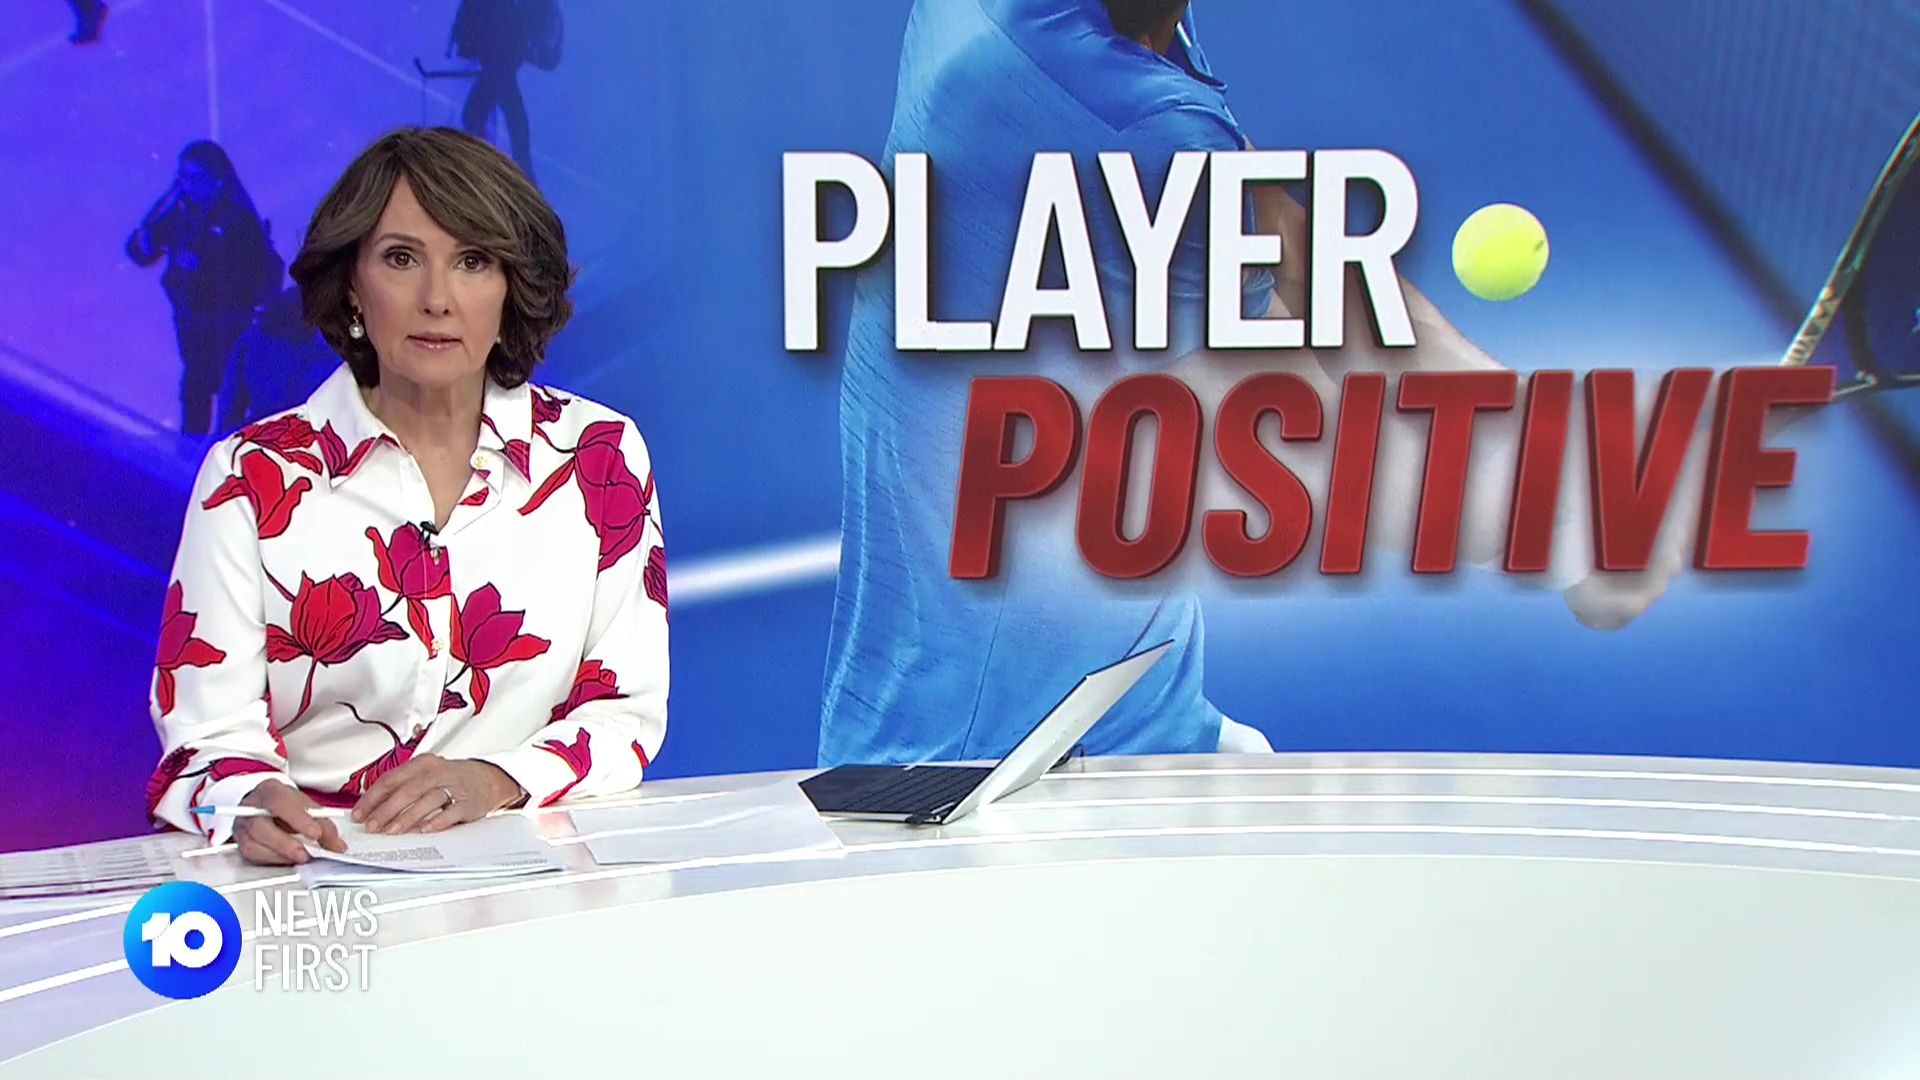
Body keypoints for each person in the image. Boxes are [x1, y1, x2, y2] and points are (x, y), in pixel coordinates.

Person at [820, 0, 1653, 769]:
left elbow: (1299, 255)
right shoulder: (1142, 131)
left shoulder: (1084, 38)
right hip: (1002, 773)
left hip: (1107, 715)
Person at [145, 127, 669, 866]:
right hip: (315, 877)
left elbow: (624, 715)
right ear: (352, 285)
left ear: (513, 286)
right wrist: (249, 802)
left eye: (473, 262)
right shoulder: (250, 476)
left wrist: (494, 780)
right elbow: (206, 735)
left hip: (530, 875)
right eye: (401, 258)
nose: (436, 299)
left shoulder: (598, 456)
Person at [126, 142, 284, 437]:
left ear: (217, 180)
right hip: (191, 320)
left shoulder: (238, 220)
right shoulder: (180, 211)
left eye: (195, 178)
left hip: (226, 325)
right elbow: (145, 245)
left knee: (225, 393)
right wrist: (143, 245)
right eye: (183, 177)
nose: (187, 186)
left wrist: (201, 266)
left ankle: (225, 452)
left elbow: (252, 275)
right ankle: (190, 451)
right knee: (195, 388)